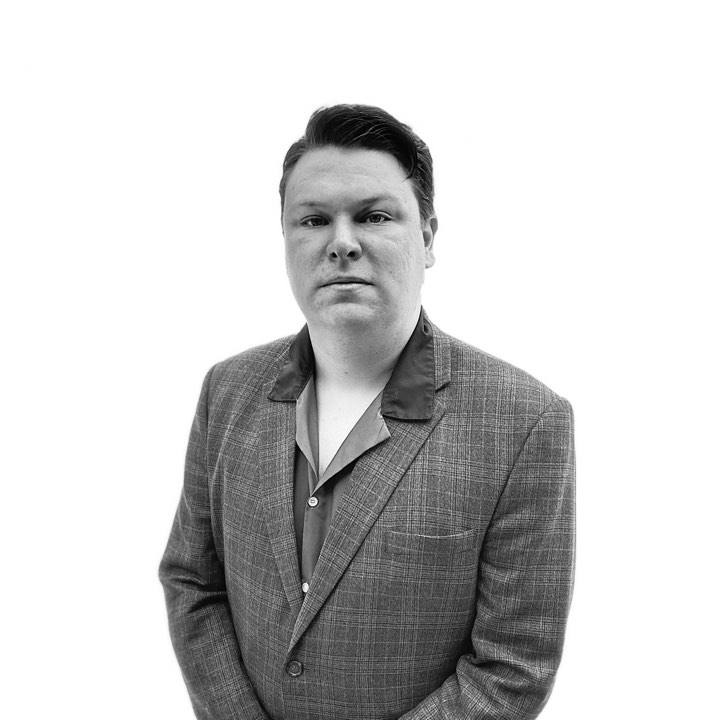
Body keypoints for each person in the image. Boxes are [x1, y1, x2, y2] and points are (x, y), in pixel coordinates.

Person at [159, 104, 575, 720]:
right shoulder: (227, 390)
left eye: (375, 216)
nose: (342, 243)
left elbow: (512, 668)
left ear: (427, 238)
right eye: (313, 220)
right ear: (285, 239)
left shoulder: (524, 422)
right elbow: (192, 583)